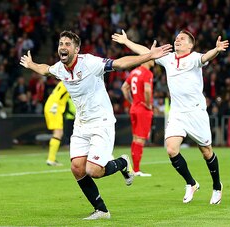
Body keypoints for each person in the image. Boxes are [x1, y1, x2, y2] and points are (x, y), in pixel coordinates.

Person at [20, 30, 171, 219]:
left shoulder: (90, 62)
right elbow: (45, 69)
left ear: (77, 49)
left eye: (67, 44)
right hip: (81, 124)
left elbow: (119, 63)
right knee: (77, 168)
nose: (63, 47)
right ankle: (101, 210)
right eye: (61, 44)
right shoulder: (60, 68)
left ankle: (123, 162)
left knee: (93, 170)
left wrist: (148, 55)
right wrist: (31, 64)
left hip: (102, 122)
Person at [112, 29, 229, 204]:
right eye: (176, 38)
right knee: (171, 149)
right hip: (177, 113)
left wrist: (216, 49)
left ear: (190, 44)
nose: (177, 40)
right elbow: (146, 52)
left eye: (182, 39)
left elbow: (206, 57)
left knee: (206, 152)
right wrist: (127, 42)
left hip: (196, 112)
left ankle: (217, 186)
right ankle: (191, 183)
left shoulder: (194, 58)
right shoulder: (169, 58)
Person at [121, 60, 154, 177]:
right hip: (143, 109)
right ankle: (136, 169)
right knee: (140, 139)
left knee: (135, 138)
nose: (154, 61)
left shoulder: (134, 72)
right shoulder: (147, 73)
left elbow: (124, 87)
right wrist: (148, 104)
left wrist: (131, 101)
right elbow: (147, 90)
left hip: (134, 108)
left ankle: (134, 168)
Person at [44, 80, 69, 166]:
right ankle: (51, 159)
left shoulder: (65, 81)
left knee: (58, 132)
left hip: (52, 106)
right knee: (58, 132)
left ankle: (51, 159)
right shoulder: (70, 83)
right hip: (54, 107)